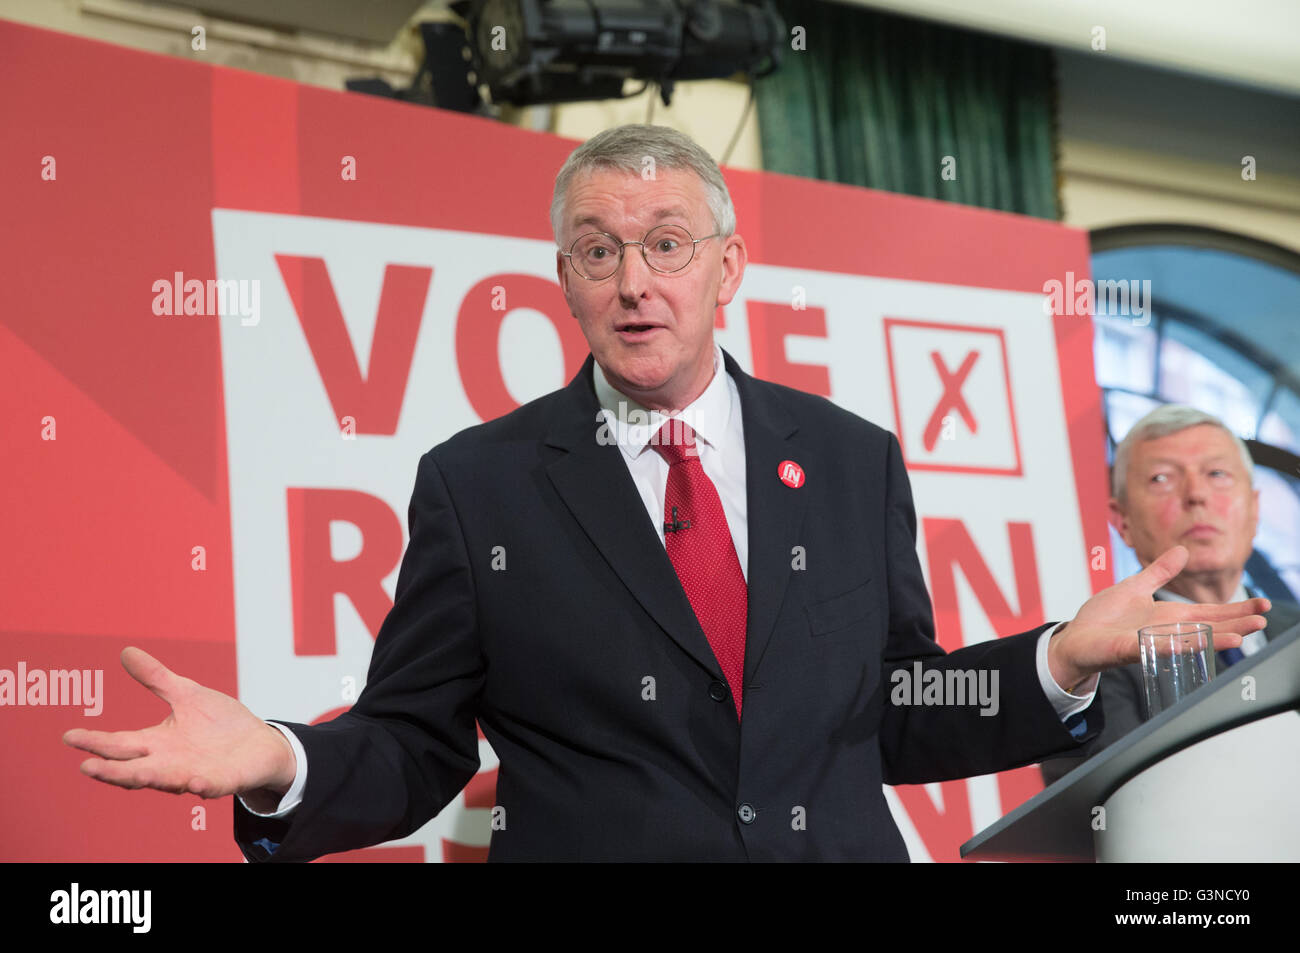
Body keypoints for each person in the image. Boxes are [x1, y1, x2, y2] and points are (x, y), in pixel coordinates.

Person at [63, 125, 1269, 861]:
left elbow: (895, 709)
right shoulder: (480, 486)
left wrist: (1060, 655)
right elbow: (415, 741)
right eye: (599, 249)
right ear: (564, 279)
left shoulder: (849, 457)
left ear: (727, 266)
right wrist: (278, 756)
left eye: (667, 243)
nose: (635, 281)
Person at [1040, 405, 1299, 785]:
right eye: (1162, 478)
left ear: (1255, 509)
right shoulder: (1094, 665)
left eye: (1217, 474)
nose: (1196, 495)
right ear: (1122, 521)